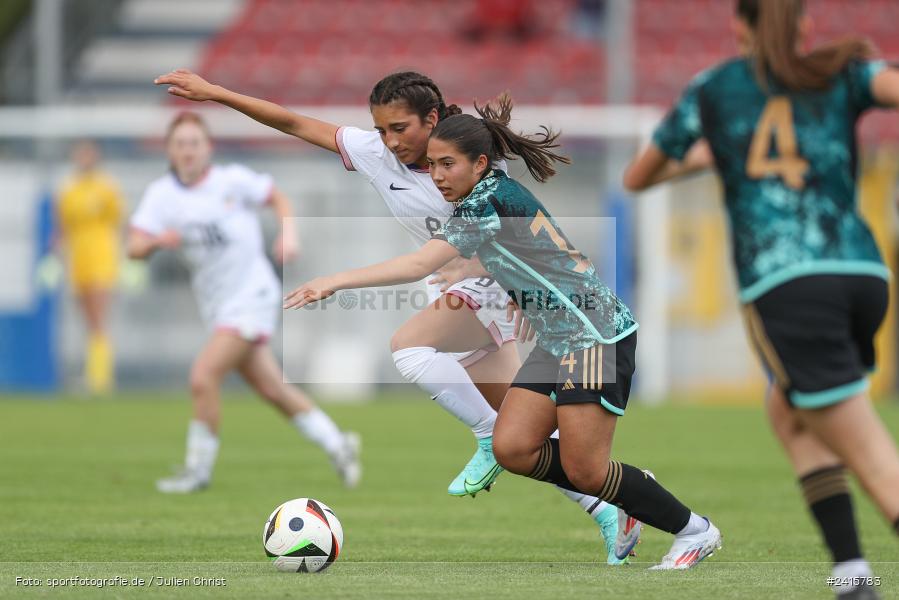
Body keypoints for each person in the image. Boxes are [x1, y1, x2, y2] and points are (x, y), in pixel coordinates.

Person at [152, 69, 641, 564]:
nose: (389, 141)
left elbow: (515, 238)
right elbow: (294, 123)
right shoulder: (376, 152)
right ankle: (613, 507)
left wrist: (520, 295)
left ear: (432, 120)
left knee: (410, 348)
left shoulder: (472, 168)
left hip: (484, 287)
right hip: (457, 287)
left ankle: (486, 438)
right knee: (529, 441)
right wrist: (215, 93)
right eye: (381, 129)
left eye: (400, 129)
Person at [283, 94, 723, 570]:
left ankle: (693, 530)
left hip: (594, 335)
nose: (437, 175)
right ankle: (620, 492)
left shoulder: (485, 201)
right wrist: (510, 285)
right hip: (558, 339)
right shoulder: (487, 195)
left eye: (448, 164)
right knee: (511, 447)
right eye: (432, 165)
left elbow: (418, 263)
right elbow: (526, 252)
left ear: (481, 163)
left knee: (586, 469)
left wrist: (334, 279)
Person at [624, 0, 899, 594]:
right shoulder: (840, 72)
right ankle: (852, 575)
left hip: (790, 284)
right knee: (791, 413)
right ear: (803, 25)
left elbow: (638, 176)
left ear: (738, 26)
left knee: (871, 452)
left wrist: (717, 154)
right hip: (863, 273)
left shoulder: (715, 89)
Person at [127, 112, 360, 494]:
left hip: (253, 295)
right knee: (273, 390)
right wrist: (155, 242)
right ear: (170, 150)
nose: (188, 151)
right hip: (217, 305)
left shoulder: (232, 181)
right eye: (180, 144)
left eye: (194, 143)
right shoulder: (161, 196)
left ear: (208, 148)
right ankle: (338, 443)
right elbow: (134, 247)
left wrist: (289, 235)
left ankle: (197, 471)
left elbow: (277, 197)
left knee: (203, 376)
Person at [56, 140, 123, 393]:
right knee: (87, 319)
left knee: (98, 317)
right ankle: (93, 373)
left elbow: (118, 223)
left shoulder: (106, 187)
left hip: (101, 258)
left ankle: (100, 379)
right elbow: (62, 227)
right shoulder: (68, 190)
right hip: (78, 260)